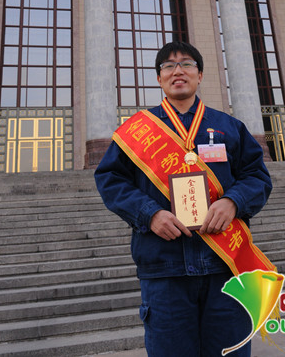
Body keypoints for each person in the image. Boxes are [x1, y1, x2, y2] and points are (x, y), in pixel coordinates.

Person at [95, 41, 272, 357]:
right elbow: (110, 179)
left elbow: (257, 177)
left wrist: (233, 201)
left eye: (187, 64)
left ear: (200, 75)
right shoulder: (136, 132)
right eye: (168, 65)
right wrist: (149, 213)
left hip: (225, 269)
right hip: (165, 270)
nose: (178, 71)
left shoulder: (230, 127)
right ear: (159, 78)